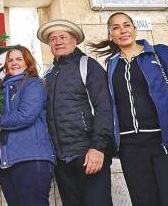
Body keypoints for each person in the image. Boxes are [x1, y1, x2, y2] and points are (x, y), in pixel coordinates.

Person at [88, 12, 168, 206]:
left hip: (167, 142)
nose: (122, 30)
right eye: (115, 27)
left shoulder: (159, 53)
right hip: (131, 148)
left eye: (126, 25)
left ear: (134, 29)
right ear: (110, 35)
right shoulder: (112, 64)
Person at [37, 19, 114, 206]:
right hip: (61, 160)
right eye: (53, 39)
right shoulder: (48, 74)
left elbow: (105, 108)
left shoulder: (88, 66)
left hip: (88, 154)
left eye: (63, 37)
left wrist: (98, 148)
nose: (57, 41)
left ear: (74, 41)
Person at [0, 46, 56, 206]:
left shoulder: (33, 84)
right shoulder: (2, 90)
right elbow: (0, 123)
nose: (14, 63)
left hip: (32, 158)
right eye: (10, 60)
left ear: (28, 62)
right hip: (7, 161)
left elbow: (26, 115)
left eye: (19, 59)